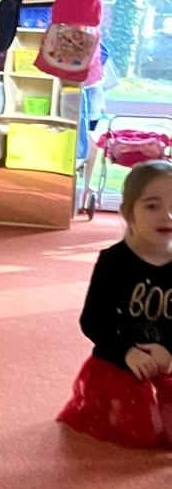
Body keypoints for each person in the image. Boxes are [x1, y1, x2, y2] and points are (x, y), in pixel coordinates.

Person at [59, 160, 172, 447]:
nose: (167, 215)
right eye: (152, 206)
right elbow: (93, 321)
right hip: (120, 361)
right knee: (136, 423)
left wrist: (169, 353)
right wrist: (127, 353)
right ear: (128, 213)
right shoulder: (113, 262)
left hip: (168, 360)